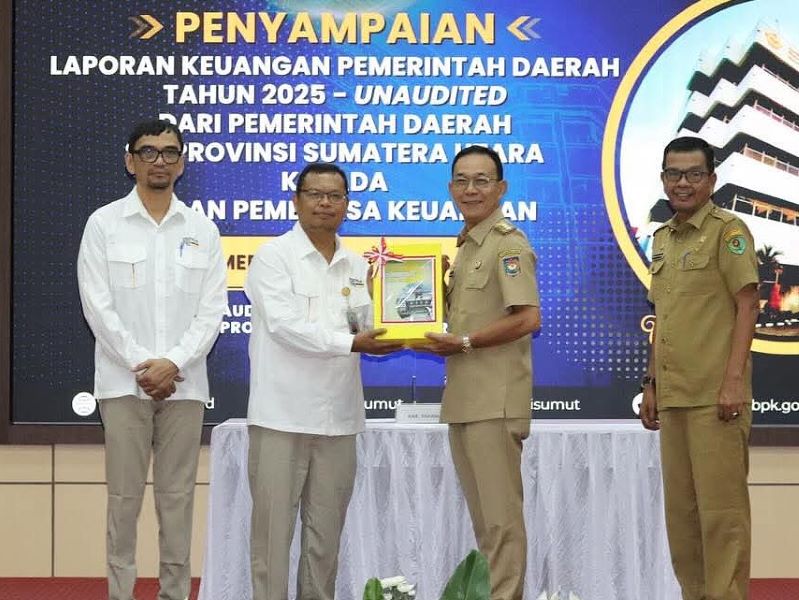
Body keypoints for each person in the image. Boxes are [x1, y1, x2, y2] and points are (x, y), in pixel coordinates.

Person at [77, 119, 227, 600]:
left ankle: (173, 594)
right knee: (123, 500)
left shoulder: (203, 230)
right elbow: (97, 306)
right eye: (148, 152)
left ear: (182, 163)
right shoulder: (104, 224)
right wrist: (144, 364)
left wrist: (173, 363)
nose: (159, 160)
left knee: (177, 500)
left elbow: (212, 311)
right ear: (130, 161)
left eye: (169, 152)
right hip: (123, 384)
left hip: (185, 385)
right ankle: (120, 594)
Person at [245, 162, 403, 600]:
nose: (325, 203)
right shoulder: (273, 257)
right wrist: (351, 343)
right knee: (272, 541)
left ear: (347, 204)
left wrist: (414, 304)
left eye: (335, 196)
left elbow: (367, 325)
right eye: (315, 194)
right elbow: (285, 327)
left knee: (324, 542)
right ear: (296, 201)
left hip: (339, 420)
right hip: (282, 418)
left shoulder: (357, 265)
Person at [640, 136, 759, 600]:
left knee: (722, 517)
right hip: (673, 397)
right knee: (683, 518)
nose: (683, 183)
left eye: (694, 174)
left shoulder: (729, 232)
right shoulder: (662, 239)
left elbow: (747, 306)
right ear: (663, 179)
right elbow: (663, 317)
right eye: (674, 174)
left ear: (711, 179)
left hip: (715, 399)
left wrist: (733, 382)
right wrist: (651, 384)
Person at [423, 146, 541, 600]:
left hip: (495, 402)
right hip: (467, 401)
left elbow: (528, 318)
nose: (470, 190)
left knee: (501, 525)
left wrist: (466, 342)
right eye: (462, 181)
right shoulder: (468, 245)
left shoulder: (508, 244)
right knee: (487, 526)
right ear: (450, 188)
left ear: (501, 188)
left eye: (482, 180)